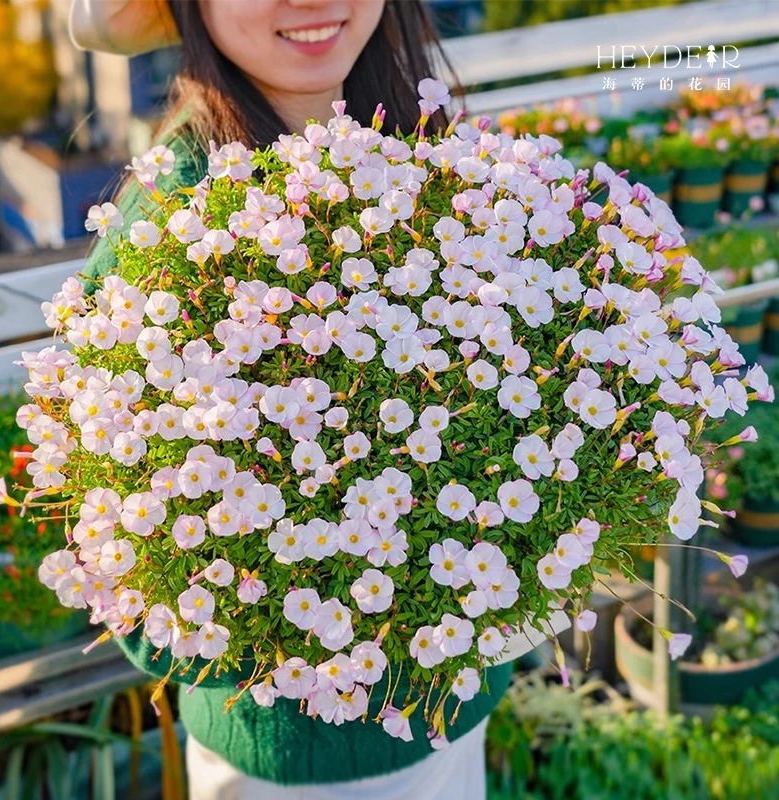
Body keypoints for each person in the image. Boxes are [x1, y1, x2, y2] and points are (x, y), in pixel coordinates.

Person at [71, 2, 569, 797]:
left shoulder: (434, 147)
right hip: (280, 759)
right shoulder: (167, 213)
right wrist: (288, 644)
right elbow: (108, 539)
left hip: (448, 713)